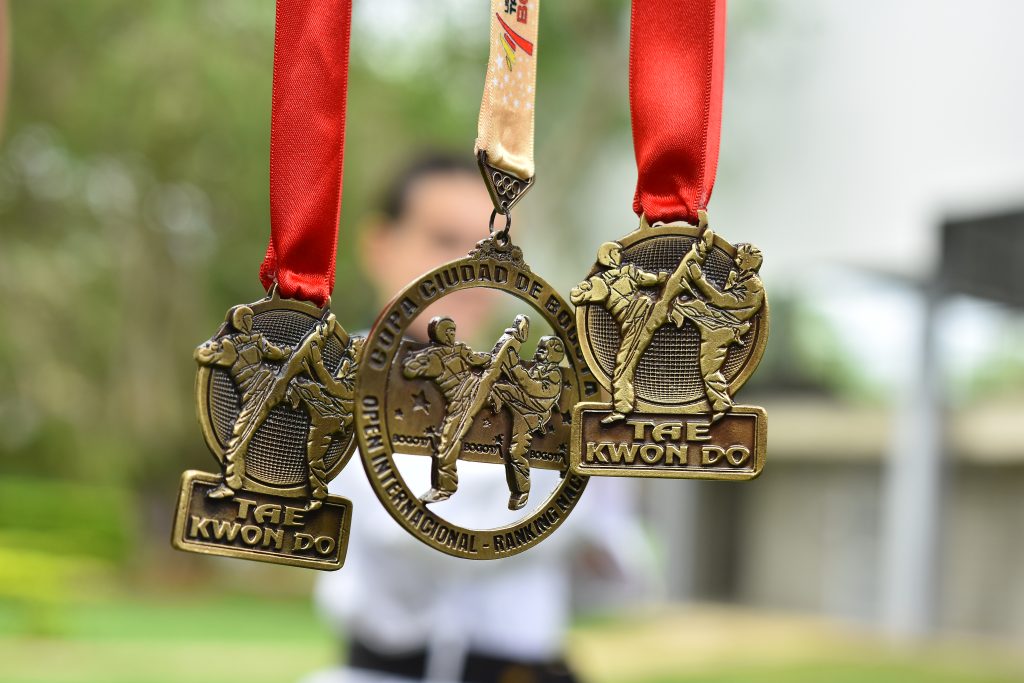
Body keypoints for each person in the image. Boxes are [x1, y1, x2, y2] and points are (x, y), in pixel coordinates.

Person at [305, 153, 657, 683]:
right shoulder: (341, 382)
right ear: (380, 245)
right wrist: (570, 480)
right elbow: (425, 532)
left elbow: (617, 580)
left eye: (486, 249)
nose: (467, 274)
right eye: (445, 241)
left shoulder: (539, 387)